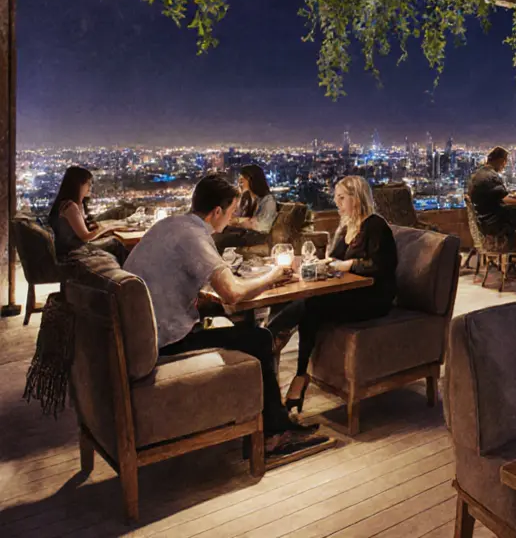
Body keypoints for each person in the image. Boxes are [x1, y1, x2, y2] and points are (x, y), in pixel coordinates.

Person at [123, 175, 322, 455]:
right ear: (217, 211)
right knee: (259, 339)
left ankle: (268, 418)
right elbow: (233, 293)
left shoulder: (170, 225)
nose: (230, 220)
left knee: (245, 331)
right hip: (162, 343)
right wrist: (273, 275)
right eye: (230, 213)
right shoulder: (194, 236)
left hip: (141, 337)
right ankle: (274, 435)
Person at [268, 176, 398, 412]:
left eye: (341, 198)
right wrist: (319, 264)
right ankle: (297, 372)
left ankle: (270, 336)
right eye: (336, 197)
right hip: (348, 292)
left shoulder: (376, 225)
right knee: (304, 305)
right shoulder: (346, 225)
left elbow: (382, 266)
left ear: (357, 198)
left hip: (373, 298)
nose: (336, 202)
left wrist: (348, 265)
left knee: (310, 305)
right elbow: (335, 258)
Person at [48, 166, 129, 263]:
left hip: (72, 247)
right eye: (88, 183)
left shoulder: (74, 204)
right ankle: (130, 273)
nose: (90, 187)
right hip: (72, 251)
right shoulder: (70, 207)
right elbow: (85, 237)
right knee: (115, 243)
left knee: (112, 237)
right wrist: (107, 228)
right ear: (78, 185)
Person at [467, 147, 516, 245]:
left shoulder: (478, 174)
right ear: (501, 161)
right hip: (492, 222)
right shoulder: (491, 176)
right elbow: (506, 199)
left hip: (482, 220)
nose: (504, 166)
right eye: (505, 162)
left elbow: (497, 196)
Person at [215, 164, 278, 250]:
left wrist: (241, 221)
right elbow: (235, 216)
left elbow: (264, 226)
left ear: (252, 181)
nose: (239, 184)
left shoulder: (268, 200)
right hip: (243, 232)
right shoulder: (246, 198)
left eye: (242, 181)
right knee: (215, 233)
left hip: (258, 236)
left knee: (219, 239)